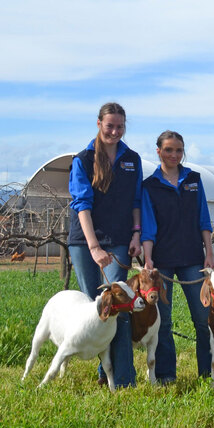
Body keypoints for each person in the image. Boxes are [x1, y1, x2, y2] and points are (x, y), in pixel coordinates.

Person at [67, 102, 143, 388]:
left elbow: (136, 201)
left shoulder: (132, 159)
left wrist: (136, 234)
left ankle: (123, 380)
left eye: (120, 126)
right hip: (86, 241)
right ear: (98, 124)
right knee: (98, 309)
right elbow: (81, 205)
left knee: (120, 307)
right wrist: (94, 247)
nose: (115, 131)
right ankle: (105, 370)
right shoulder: (84, 158)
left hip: (121, 239)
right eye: (110, 125)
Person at [141, 131, 214, 383]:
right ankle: (166, 374)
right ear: (158, 151)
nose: (174, 155)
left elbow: (203, 217)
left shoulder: (194, 180)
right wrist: (148, 260)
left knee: (204, 319)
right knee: (162, 321)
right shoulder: (149, 186)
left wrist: (209, 253)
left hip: (194, 258)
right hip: (161, 262)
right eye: (169, 150)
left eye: (179, 150)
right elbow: (148, 226)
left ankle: (208, 373)